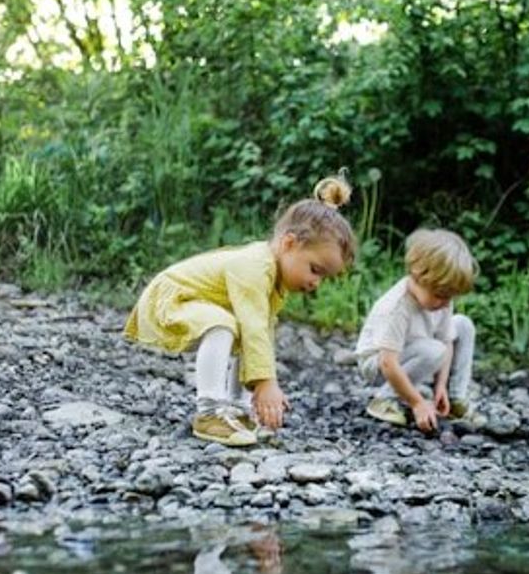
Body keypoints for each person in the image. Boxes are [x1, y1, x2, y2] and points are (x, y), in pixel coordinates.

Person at [124, 174, 357, 446]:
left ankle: (238, 409)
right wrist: (265, 383)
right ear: (289, 243)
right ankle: (209, 413)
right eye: (315, 269)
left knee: (241, 330)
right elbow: (255, 327)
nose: (316, 283)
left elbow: (257, 336)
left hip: (192, 303)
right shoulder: (255, 266)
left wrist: (259, 389)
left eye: (324, 277)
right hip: (170, 298)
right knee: (225, 324)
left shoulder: (273, 278)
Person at [354, 228, 478, 432]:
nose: (446, 304)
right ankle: (383, 399)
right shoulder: (397, 307)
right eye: (440, 295)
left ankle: (455, 397)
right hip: (379, 365)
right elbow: (387, 362)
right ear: (417, 276)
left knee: (463, 325)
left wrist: (440, 386)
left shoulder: (442, 301)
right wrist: (416, 402)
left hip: (416, 349)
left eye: (451, 297)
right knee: (434, 350)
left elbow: (446, 341)